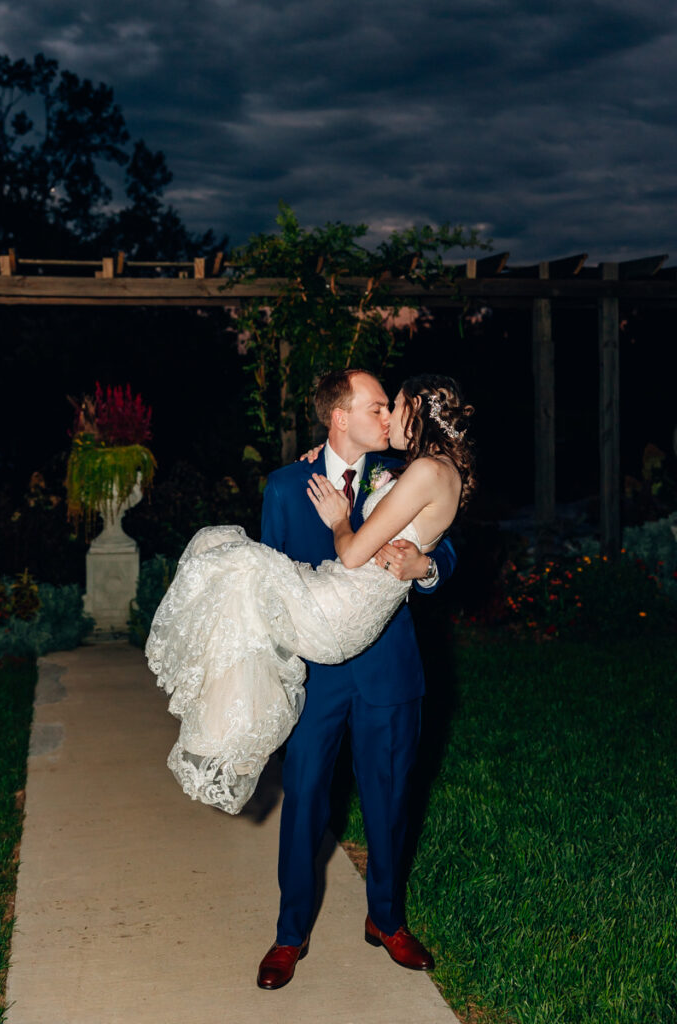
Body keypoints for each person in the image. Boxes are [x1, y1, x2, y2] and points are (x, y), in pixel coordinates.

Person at [145, 370, 475, 988]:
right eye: (376, 406)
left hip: (389, 666)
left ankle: (387, 919)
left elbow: (448, 538)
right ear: (339, 417)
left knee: (391, 799)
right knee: (304, 801)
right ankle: (289, 934)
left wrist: (427, 565)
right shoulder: (286, 484)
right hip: (316, 669)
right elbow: (271, 578)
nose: (387, 417)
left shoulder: (403, 472)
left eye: (391, 407)